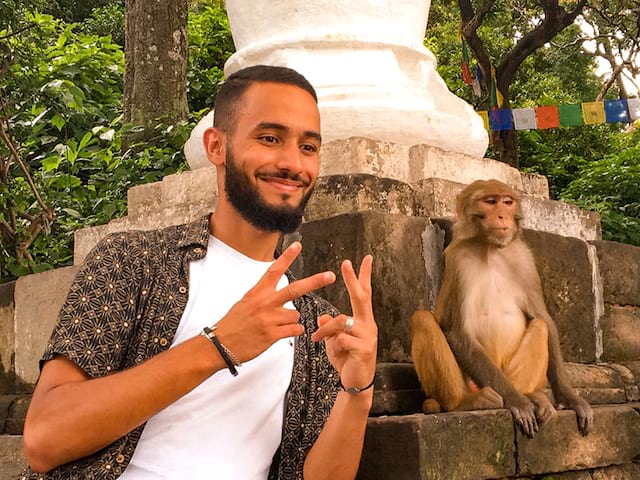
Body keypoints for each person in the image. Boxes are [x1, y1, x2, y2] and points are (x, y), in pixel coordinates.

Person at [21, 65, 378, 480]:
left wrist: (357, 392)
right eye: (269, 139)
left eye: (309, 147)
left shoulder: (314, 322)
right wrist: (218, 346)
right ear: (216, 146)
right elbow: (44, 440)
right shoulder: (134, 262)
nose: (292, 163)